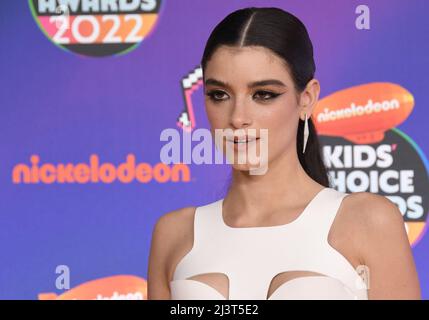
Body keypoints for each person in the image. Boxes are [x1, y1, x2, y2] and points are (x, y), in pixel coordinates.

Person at [147, 7, 421, 300]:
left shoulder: (368, 221)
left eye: (263, 94)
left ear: (307, 99)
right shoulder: (174, 234)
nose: (238, 117)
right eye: (219, 95)